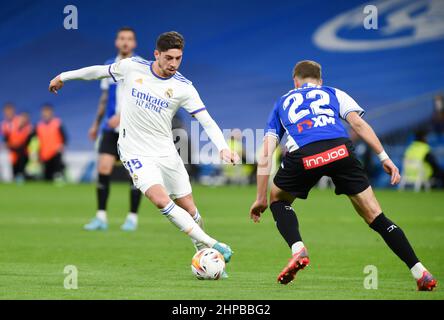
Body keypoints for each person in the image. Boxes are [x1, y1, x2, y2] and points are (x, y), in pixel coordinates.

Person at [48, 31, 239, 269]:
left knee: (190, 208)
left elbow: (206, 120)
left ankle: (205, 254)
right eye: (168, 58)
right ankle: (213, 244)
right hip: (134, 151)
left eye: (178, 58)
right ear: (156, 54)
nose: (173, 64)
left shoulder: (184, 88)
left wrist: (222, 147)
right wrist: (64, 76)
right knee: (160, 200)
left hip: (167, 152)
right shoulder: (131, 68)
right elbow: (97, 71)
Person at [249, 60, 437, 291]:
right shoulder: (333, 92)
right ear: (320, 80)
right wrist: (384, 157)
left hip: (306, 155)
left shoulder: (282, 102)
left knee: (278, 199)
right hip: (341, 150)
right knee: (376, 216)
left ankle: (298, 248)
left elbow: (267, 152)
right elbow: (357, 123)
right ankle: (420, 272)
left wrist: (260, 198)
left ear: (295, 81)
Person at [85, 27, 143, 231]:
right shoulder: (109, 65)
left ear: (134, 43)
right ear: (117, 42)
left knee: (134, 175)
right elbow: (104, 98)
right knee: (103, 169)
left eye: (129, 39)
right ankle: (101, 217)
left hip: (133, 129)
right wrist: (95, 123)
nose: (125, 42)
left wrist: (122, 116)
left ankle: (132, 218)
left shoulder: (140, 66)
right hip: (109, 129)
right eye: (122, 38)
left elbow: (141, 100)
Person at [1, 104, 33, 182]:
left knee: (21, 161)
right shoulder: (4, 124)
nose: (8, 113)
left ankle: (20, 175)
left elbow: (27, 134)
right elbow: (5, 138)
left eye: (10, 111)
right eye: (6, 111)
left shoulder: (19, 120)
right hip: (10, 149)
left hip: (21, 149)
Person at [36, 104, 67, 182]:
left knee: (57, 172)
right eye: (44, 112)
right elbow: (33, 139)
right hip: (44, 154)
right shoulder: (39, 125)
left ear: (51, 112)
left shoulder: (57, 123)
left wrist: (62, 145)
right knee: (47, 176)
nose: (46, 114)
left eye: (47, 112)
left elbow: (64, 137)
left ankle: (59, 177)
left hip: (55, 152)